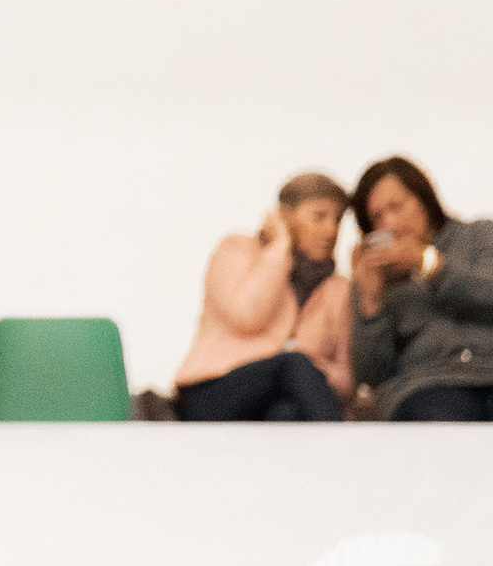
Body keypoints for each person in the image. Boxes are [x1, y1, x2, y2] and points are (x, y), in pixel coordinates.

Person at [171, 173, 352, 421]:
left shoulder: (339, 289)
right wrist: (279, 247)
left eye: (338, 219)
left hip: (278, 401)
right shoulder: (237, 250)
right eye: (319, 216)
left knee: (286, 415)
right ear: (285, 216)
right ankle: (346, 456)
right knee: (293, 365)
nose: (331, 230)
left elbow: (346, 380)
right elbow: (246, 315)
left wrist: (311, 367)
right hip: (212, 394)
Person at [349, 156, 493, 421]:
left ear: (425, 200)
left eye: (397, 207)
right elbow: (371, 375)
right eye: (377, 217)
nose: (389, 224)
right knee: (438, 422)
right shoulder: (376, 277)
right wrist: (370, 302)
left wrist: (428, 262)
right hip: (429, 386)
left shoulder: (480, 236)